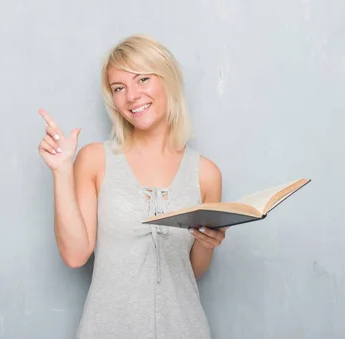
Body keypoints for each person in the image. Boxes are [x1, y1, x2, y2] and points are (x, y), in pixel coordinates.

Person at [37, 35, 227, 339]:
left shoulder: (206, 173)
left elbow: (191, 273)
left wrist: (207, 243)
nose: (131, 96)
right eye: (119, 88)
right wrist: (61, 171)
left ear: (168, 81)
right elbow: (75, 256)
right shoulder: (95, 159)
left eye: (142, 79)